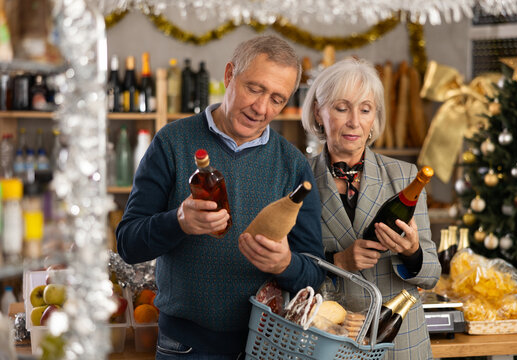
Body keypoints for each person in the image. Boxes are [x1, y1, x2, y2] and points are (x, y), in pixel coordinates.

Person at [116, 35, 325, 359]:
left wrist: (285, 263)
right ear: (229, 75)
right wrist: (179, 222)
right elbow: (128, 244)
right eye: (254, 88)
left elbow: (313, 272)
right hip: (184, 347)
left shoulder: (292, 164)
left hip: (265, 346)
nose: (261, 108)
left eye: (276, 99)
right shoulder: (172, 142)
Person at [301, 58, 441, 359]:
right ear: (318, 111)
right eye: (341, 108)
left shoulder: (404, 176)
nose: (354, 121)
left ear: (375, 116)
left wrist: (412, 252)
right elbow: (287, 267)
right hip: (329, 341)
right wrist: (337, 261)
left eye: (365, 109)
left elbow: (431, 275)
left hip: (399, 343)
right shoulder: (299, 178)